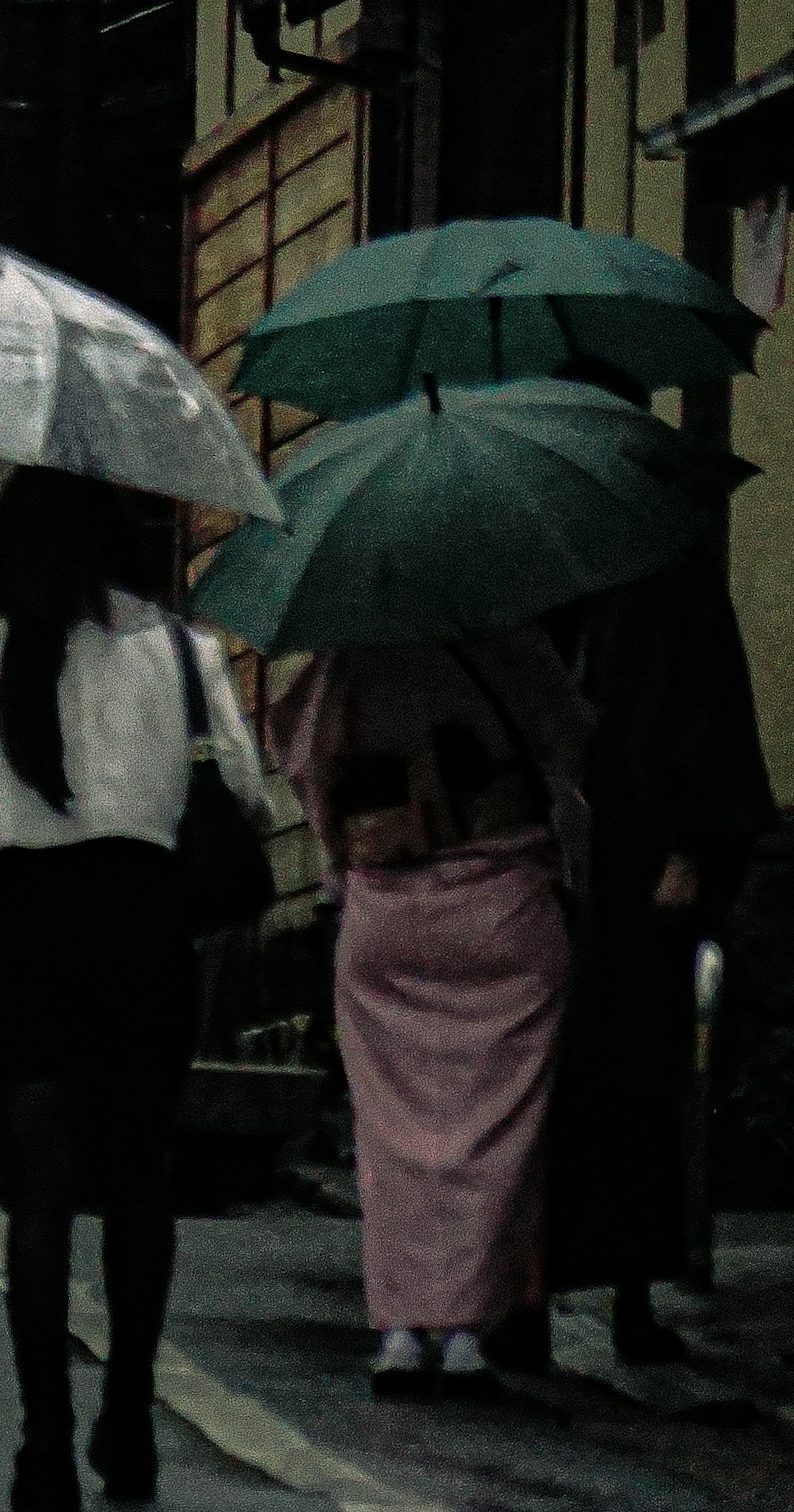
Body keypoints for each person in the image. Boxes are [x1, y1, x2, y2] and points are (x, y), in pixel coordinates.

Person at [0, 470, 275, 1511]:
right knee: (139, 1172)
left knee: (40, 1184)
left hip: (29, 924)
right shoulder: (187, 655)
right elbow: (242, 790)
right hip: (145, 923)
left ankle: (44, 1441)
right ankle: (131, 1412)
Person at [270, 623, 589, 1396]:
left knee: (392, 1130)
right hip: (500, 899)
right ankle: (468, 1329)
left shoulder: (346, 660)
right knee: (497, 1124)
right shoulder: (518, 647)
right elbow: (570, 752)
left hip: (389, 902)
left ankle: (404, 1328)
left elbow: (304, 762)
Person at [541, 462, 775, 1363]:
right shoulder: (555, 577)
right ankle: (534, 1290)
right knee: (553, 1084)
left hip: (637, 873)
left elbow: (708, 720)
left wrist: (687, 849)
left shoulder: (669, 577)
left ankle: (633, 1291)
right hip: (566, 865)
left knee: (636, 1080)